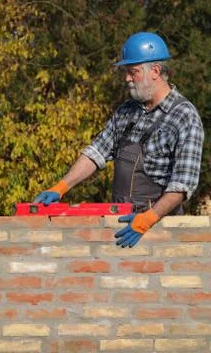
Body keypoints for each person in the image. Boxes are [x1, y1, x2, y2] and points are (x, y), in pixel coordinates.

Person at [34, 32, 204, 248]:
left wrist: (148, 219)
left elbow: (182, 184)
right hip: (121, 224)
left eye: (132, 72)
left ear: (155, 71)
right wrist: (60, 187)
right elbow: (96, 152)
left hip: (160, 233)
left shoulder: (184, 116)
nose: (127, 79)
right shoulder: (127, 112)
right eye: (126, 72)